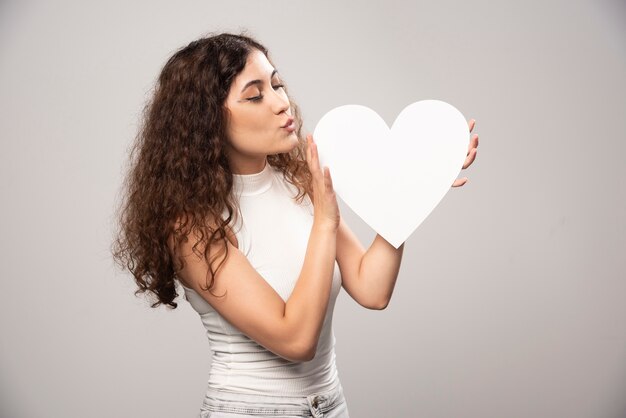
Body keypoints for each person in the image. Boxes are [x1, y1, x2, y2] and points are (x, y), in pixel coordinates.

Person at [111, 31, 479, 418]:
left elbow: (373, 289)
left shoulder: (299, 180)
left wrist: (414, 189)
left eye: (277, 84)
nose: (281, 102)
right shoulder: (191, 227)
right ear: (205, 120)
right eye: (255, 95)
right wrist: (324, 222)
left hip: (331, 406)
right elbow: (296, 338)